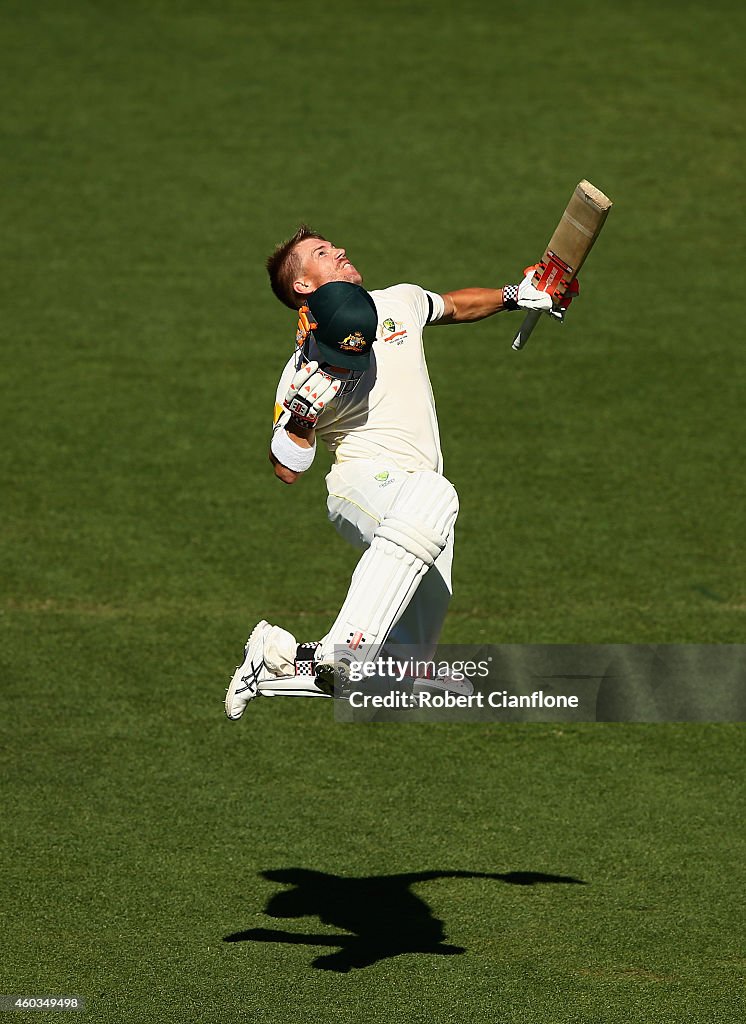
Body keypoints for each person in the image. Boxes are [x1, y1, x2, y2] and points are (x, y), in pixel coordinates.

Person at [224, 226, 560, 719]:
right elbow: (286, 468)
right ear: (303, 285)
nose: (338, 251)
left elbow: (451, 306)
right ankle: (339, 650)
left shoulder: (397, 301)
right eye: (321, 253)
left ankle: (276, 660)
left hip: (416, 510)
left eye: (333, 246)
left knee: (404, 670)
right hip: (363, 484)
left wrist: (516, 296)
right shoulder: (302, 369)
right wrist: (302, 415)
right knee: (437, 496)